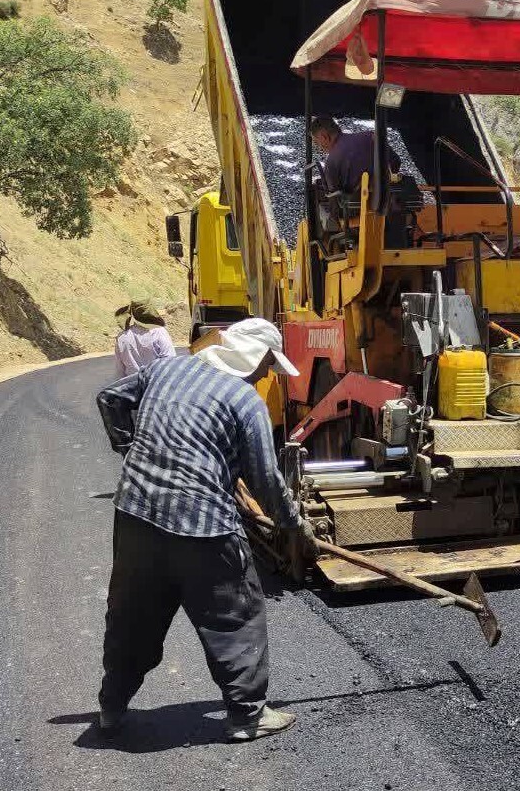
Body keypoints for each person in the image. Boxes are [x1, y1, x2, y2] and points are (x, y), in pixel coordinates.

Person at [95, 317, 315, 743]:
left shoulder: (167, 368)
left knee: (132, 618)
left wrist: (130, 446)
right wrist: (294, 525)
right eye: (269, 365)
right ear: (255, 358)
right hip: (203, 527)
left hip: (136, 514)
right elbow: (265, 478)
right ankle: (247, 716)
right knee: (235, 616)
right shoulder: (244, 399)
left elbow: (110, 398)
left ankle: (111, 707)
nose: (268, 374)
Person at [309, 113, 398, 196]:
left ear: (324, 137)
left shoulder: (332, 162)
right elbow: (396, 161)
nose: (319, 148)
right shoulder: (371, 136)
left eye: (317, 142)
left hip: (357, 208)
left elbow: (334, 198)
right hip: (387, 200)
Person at [113, 299, 176, 379]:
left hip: (133, 387)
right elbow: (170, 362)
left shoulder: (122, 338)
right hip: (155, 385)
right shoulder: (159, 332)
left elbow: (120, 372)